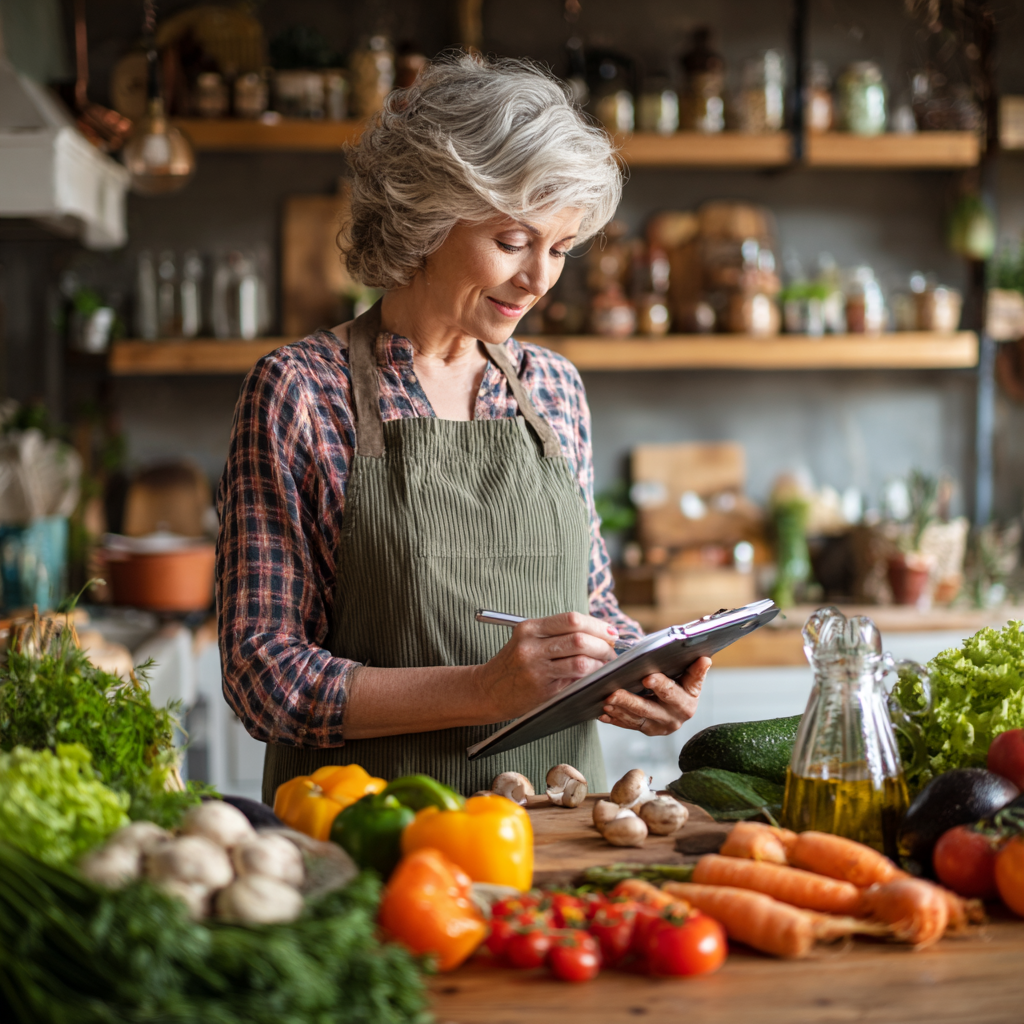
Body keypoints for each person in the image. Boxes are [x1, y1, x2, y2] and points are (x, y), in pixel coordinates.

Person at [217, 54, 711, 803]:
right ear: (427, 216)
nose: (539, 278)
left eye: (561, 249)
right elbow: (265, 678)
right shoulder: (299, 393)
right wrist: (485, 690)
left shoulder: (553, 388)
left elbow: (593, 609)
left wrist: (637, 668)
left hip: (561, 826)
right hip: (370, 836)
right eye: (513, 242)